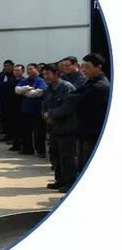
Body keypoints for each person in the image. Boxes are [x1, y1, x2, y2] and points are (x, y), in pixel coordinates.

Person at [41, 63, 76, 192]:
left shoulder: (67, 87)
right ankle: (59, 180)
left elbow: (68, 107)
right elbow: (44, 105)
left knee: (67, 156)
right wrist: (45, 115)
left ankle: (70, 183)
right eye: (44, 74)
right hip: (53, 128)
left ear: (56, 74)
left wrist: (51, 114)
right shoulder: (48, 89)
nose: (45, 77)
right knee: (54, 155)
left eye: (48, 74)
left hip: (66, 128)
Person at [73, 53, 111, 172]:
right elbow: (75, 94)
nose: (84, 70)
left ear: (98, 67)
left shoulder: (100, 86)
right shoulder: (91, 82)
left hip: (93, 132)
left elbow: (78, 103)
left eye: (87, 67)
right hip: (84, 131)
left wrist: (72, 98)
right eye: (83, 67)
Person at [15, 63, 47, 156]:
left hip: (37, 110)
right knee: (25, 131)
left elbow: (39, 92)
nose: (29, 71)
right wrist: (27, 88)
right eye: (28, 69)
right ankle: (27, 149)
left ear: (36, 70)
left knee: (39, 132)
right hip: (25, 109)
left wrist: (25, 92)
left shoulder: (40, 80)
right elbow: (17, 90)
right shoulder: (25, 80)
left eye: (31, 69)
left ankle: (41, 151)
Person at [7, 64, 26, 151]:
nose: (16, 72)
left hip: (22, 106)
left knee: (22, 127)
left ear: (22, 71)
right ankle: (15, 144)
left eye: (18, 70)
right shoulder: (10, 80)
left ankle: (23, 144)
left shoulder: (25, 81)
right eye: (15, 70)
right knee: (13, 125)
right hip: (11, 106)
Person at [0, 60, 15, 135]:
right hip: (3, 100)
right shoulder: (2, 75)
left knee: (11, 118)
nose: (7, 68)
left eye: (8, 66)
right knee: (4, 117)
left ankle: (12, 135)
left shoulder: (15, 75)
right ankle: (6, 133)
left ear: (12, 66)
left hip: (12, 101)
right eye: (5, 66)